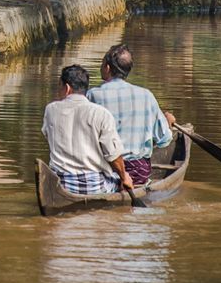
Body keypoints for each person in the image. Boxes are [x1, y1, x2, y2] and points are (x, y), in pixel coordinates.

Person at [87, 44, 176, 186]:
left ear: (108, 68)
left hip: (103, 168)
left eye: (102, 63)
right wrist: (167, 123)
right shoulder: (146, 95)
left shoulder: (92, 95)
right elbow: (164, 140)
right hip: (137, 171)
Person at [42, 64, 134, 195]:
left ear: (67, 88)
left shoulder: (51, 110)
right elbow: (114, 156)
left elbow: (48, 136)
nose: (59, 91)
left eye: (59, 86)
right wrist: (124, 178)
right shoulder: (101, 113)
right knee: (118, 179)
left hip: (61, 183)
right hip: (95, 186)